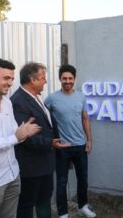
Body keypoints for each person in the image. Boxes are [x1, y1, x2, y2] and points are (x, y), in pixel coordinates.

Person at [10, 62, 71, 218]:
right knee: (27, 206)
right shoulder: (18, 101)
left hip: (45, 163)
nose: (45, 81)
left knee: (44, 202)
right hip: (31, 167)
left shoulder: (36, 97)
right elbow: (25, 136)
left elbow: (47, 126)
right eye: (43, 78)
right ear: (32, 80)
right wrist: (50, 143)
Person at [0, 58, 41, 218]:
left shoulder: (8, 103)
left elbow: (15, 134)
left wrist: (24, 132)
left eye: (12, 79)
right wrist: (16, 137)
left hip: (13, 176)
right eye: (6, 78)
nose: (10, 83)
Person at [45, 64, 96, 218]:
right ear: (60, 79)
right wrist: (50, 138)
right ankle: (63, 214)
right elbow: (44, 119)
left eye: (70, 78)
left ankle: (83, 206)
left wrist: (89, 140)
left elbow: (85, 118)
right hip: (62, 147)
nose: (67, 81)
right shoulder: (52, 98)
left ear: (74, 79)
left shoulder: (81, 96)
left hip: (80, 146)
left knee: (83, 179)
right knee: (61, 183)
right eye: (64, 78)